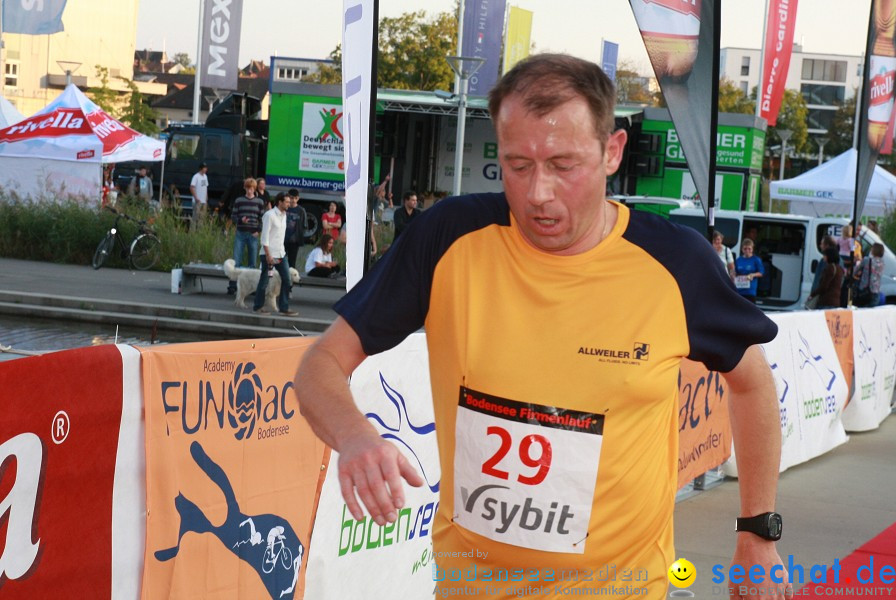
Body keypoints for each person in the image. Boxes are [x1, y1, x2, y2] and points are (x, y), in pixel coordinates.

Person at [294, 54, 785, 599]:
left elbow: (752, 381)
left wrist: (758, 531)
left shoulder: (675, 263)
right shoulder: (448, 240)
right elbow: (320, 364)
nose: (538, 194)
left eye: (563, 165)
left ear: (611, 152)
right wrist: (355, 436)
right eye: (517, 165)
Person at [253, 193, 297, 316]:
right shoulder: (270, 215)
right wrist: (268, 255)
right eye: (287, 202)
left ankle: (284, 307)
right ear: (280, 202)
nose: (289, 204)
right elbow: (265, 237)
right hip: (269, 254)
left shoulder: (284, 215)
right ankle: (258, 306)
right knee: (265, 280)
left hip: (281, 253)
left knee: (287, 279)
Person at [229, 178, 265, 295]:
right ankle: (233, 286)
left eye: (252, 188)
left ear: (254, 189)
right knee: (237, 260)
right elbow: (233, 216)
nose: (250, 191)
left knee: (252, 262)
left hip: (253, 234)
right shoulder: (239, 200)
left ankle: (252, 287)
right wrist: (240, 219)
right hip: (240, 233)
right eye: (248, 188)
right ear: (245, 188)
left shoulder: (259, 202)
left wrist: (258, 231)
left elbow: (262, 218)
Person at [852, 243, 885, 307]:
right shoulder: (882, 263)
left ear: (873, 250)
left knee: (861, 312)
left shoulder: (866, 260)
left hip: (864, 291)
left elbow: (854, 271)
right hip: (876, 293)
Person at [734, 238, 765, 303]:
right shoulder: (738, 260)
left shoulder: (756, 260)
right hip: (739, 290)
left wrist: (753, 275)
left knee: (750, 310)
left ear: (752, 249)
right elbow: (735, 272)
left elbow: (761, 273)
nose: (747, 251)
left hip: (750, 290)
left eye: (749, 249)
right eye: (745, 249)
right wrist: (733, 274)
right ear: (742, 249)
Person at [284, 189, 307, 270]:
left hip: (294, 241)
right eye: (291, 198)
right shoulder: (284, 208)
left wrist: (298, 236)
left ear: (298, 198)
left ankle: (290, 280)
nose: (293, 200)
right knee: (279, 260)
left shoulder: (301, 210)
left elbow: (304, 226)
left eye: (295, 198)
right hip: (282, 238)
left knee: (292, 262)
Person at [190, 163, 209, 229]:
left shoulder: (205, 176)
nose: (206, 169)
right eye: (204, 168)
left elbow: (205, 187)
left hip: (203, 201)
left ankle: (200, 232)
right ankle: (192, 232)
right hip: (197, 201)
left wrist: (206, 197)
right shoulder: (196, 176)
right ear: (201, 168)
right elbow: (192, 187)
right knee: (195, 217)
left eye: (206, 168)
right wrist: (196, 198)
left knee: (202, 218)